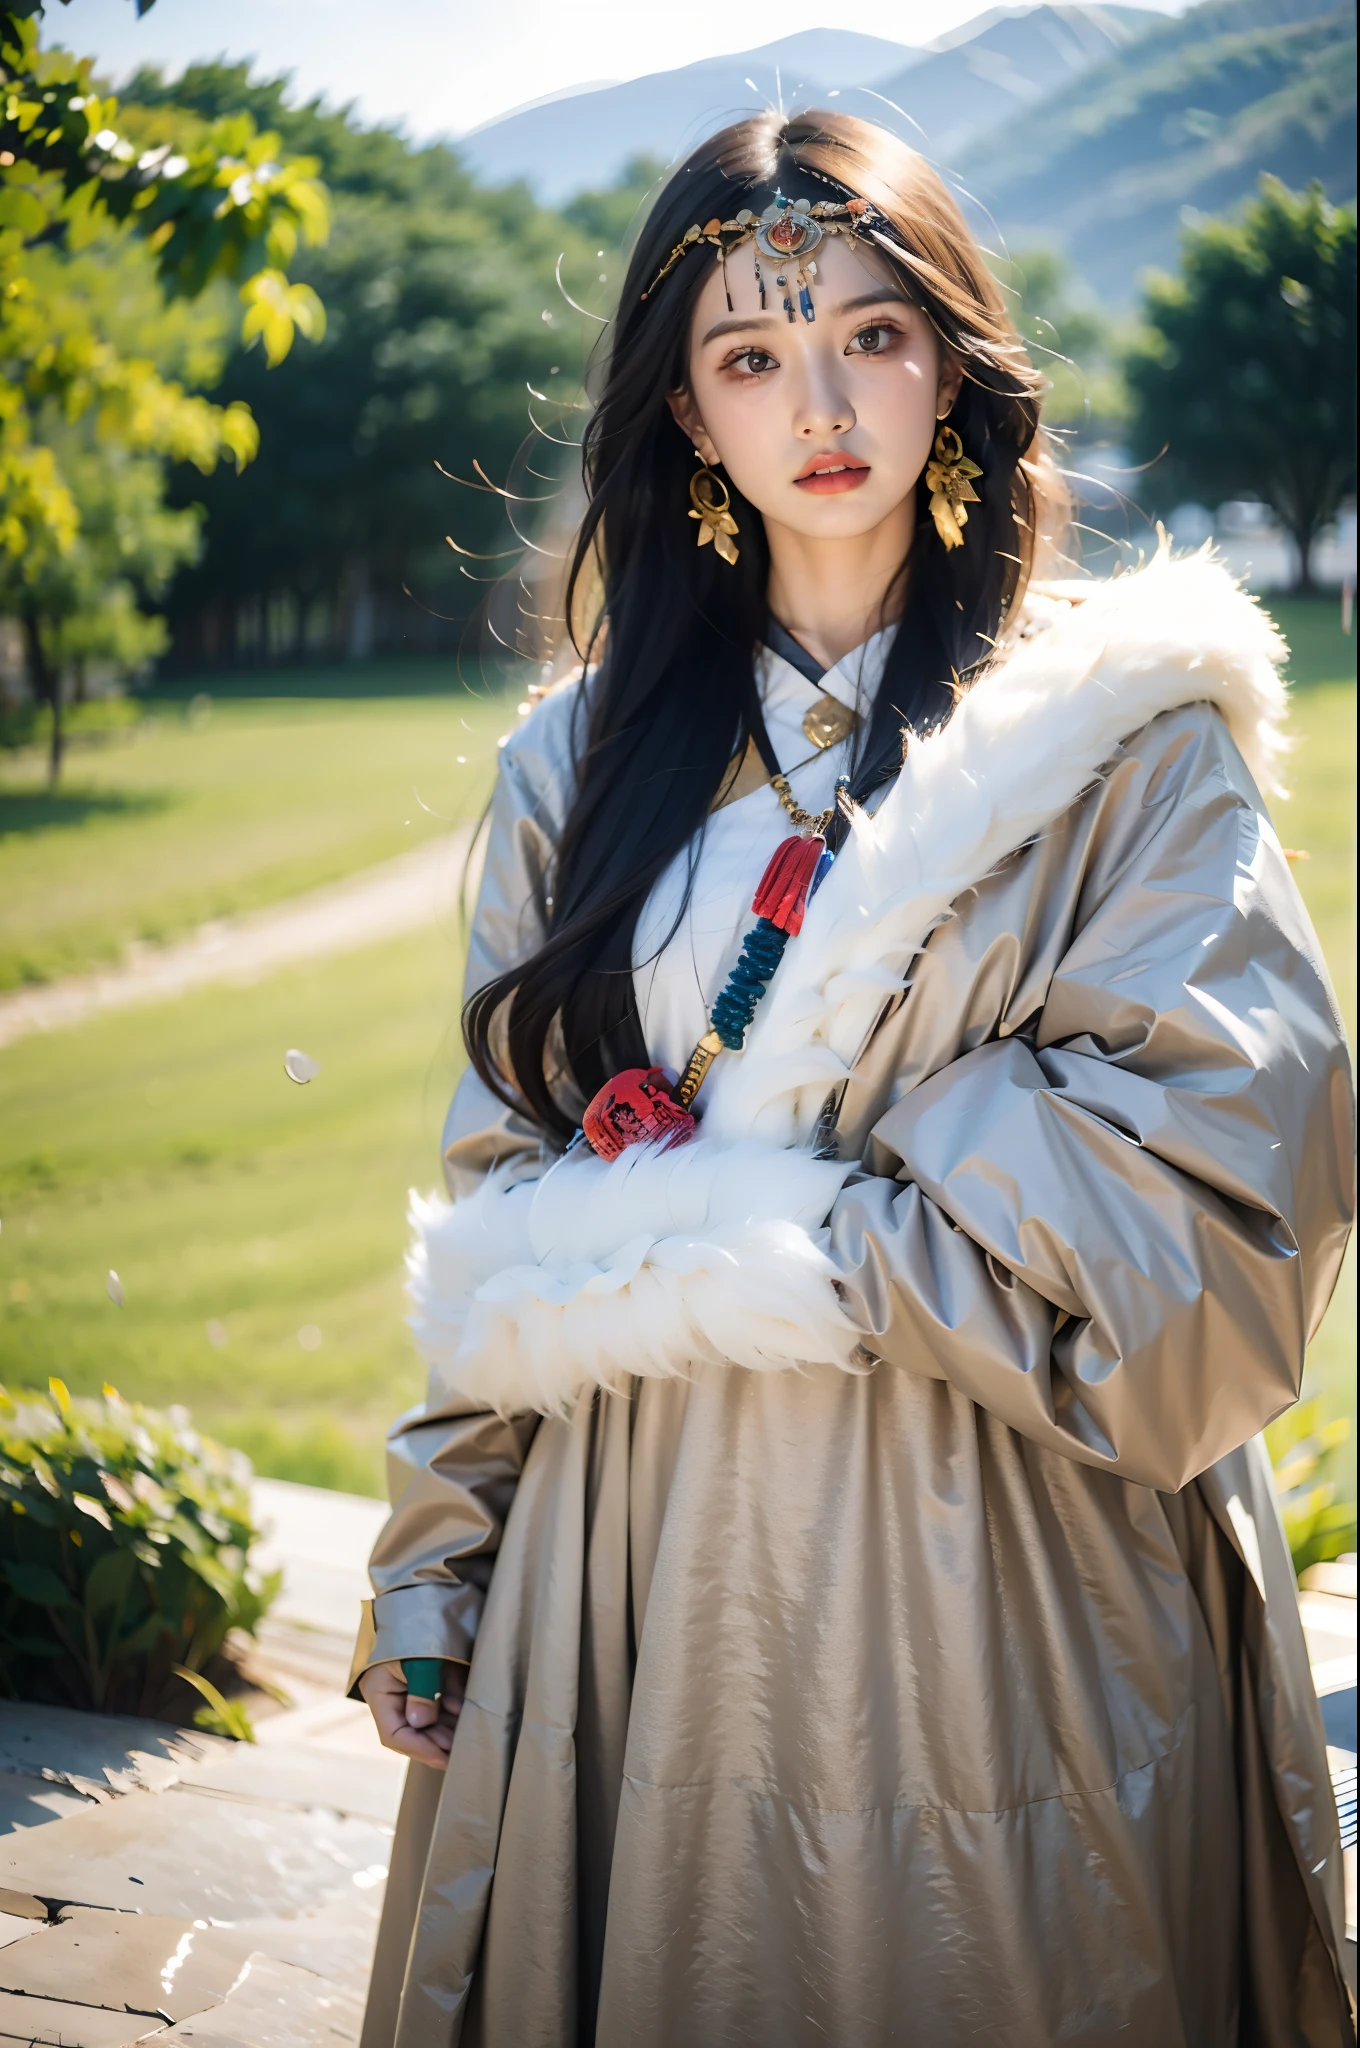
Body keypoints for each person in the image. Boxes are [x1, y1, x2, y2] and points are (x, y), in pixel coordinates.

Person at [351, 110, 1354, 2048]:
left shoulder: (1115, 739)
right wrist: (434, 1554)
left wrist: (792, 1211)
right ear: (687, 420)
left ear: (951, 365)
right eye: (747, 355)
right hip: (646, 1569)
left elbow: (1233, 1169)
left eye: (870, 337)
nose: (819, 399)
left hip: (1010, 1555)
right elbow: (506, 1184)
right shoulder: (579, 767)